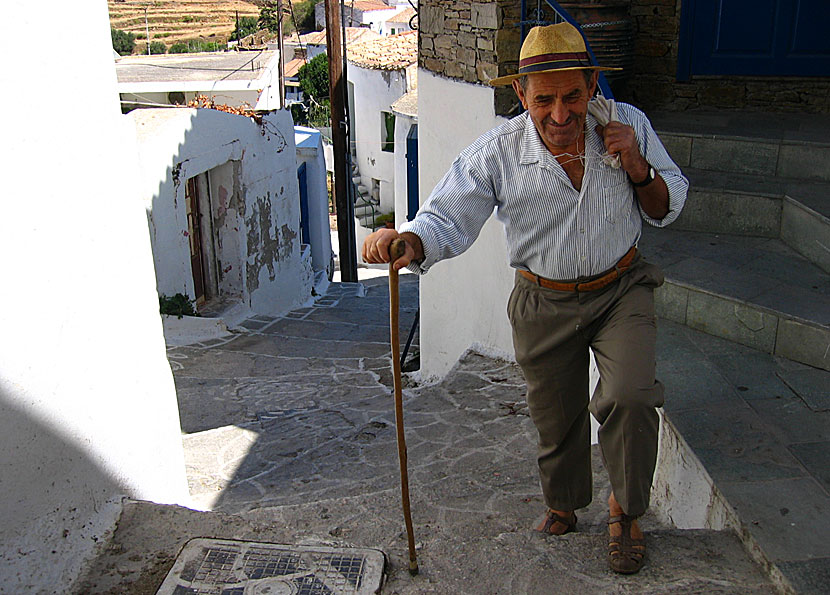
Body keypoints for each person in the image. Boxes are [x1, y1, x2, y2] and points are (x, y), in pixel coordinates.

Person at [363, 22, 688, 574]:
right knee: (555, 414)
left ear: (592, 86)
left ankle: (626, 511)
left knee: (632, 396)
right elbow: (448, 215)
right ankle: (564, 502)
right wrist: (409, 240)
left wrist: (637, 166)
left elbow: (666, 205)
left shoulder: (628, 125)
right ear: (521, 95)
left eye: (573, 97)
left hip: (621, 289)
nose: (560, 114)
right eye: (545, 100)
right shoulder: (499, 150)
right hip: (544, 299)